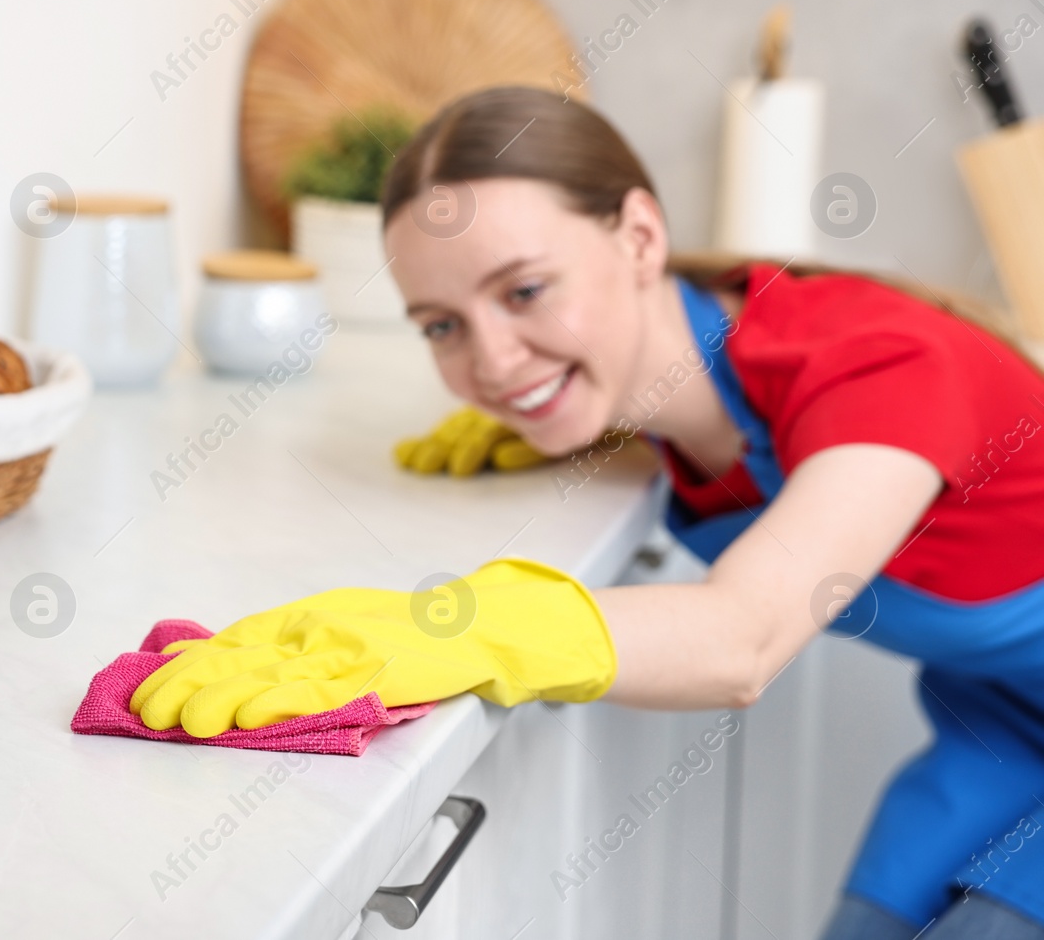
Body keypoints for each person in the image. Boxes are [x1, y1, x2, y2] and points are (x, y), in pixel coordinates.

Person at [129, 86, 1044, 939]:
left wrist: (479, 625)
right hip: (1005, 726)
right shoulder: (685, 392)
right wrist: (589, 409)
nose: (489, 360)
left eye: (525, 291)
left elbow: (742, 640)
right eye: (442, 324)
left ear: (640, 236)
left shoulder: (880, 367)